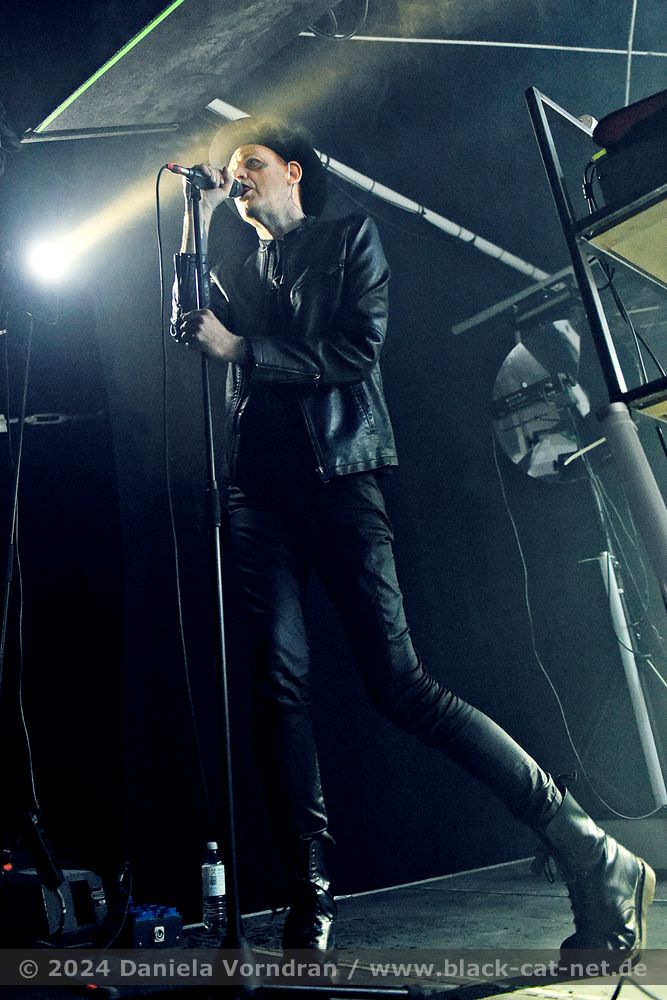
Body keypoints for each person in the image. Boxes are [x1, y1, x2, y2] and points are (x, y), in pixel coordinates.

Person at [171, 118, 655, 961]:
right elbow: (188, 324)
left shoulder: (348, 239)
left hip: (342, 476)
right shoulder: (237, 268)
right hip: (257, 492)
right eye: (228, 169)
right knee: (274, 688)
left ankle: (588, 848)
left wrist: (246, 347)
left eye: (249, 163)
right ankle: (308, 893)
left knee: (400, 685)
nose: (235, 176)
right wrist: (195, 215)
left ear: (292, 172)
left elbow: (355, 350)